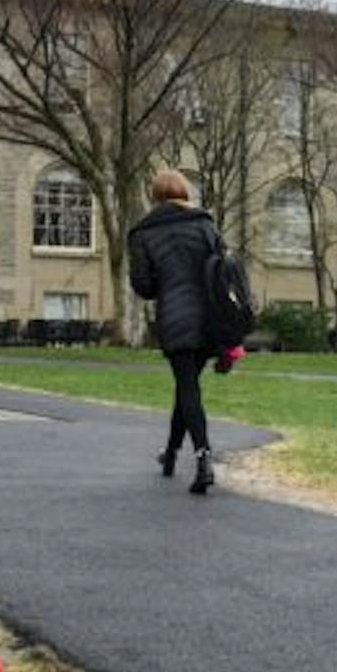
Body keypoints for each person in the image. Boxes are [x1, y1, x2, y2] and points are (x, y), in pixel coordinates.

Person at [128, 167, 222, 495]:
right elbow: (223, 269)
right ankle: (170, 455)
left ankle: (203, 456)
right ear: (184, 192)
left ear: (155, 196)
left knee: (187, 387)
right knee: (187, 387)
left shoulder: (142, 232)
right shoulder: (205, 223)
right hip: (210, 318)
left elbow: (144, 286)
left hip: (175, 318)